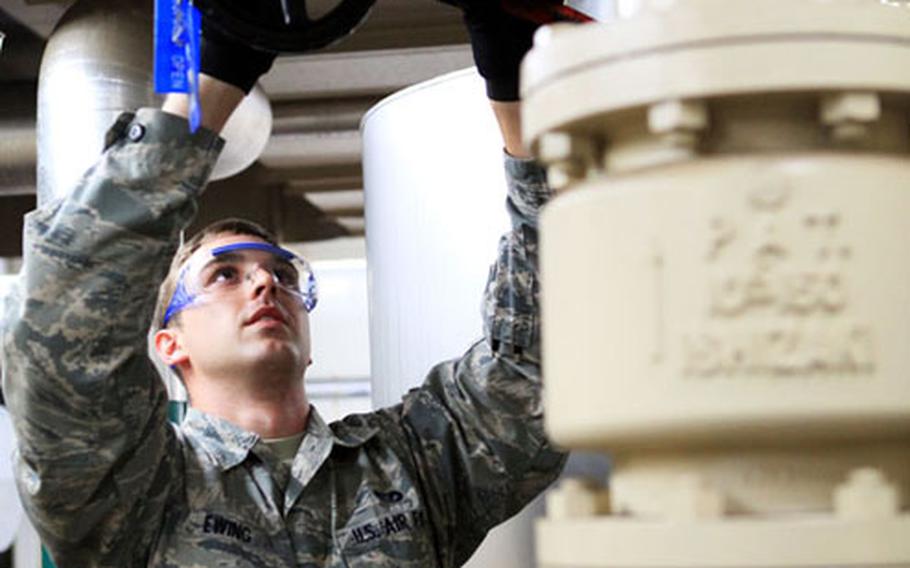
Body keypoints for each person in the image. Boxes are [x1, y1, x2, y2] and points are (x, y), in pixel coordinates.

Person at [0, 2, 567, 566]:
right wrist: (220, 69)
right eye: (225, 275)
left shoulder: (413, 465)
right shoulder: (136, 489)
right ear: (170, 343)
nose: (266, 284)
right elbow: (56, 333)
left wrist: (512, 81)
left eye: (284, 275)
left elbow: (536, 370)